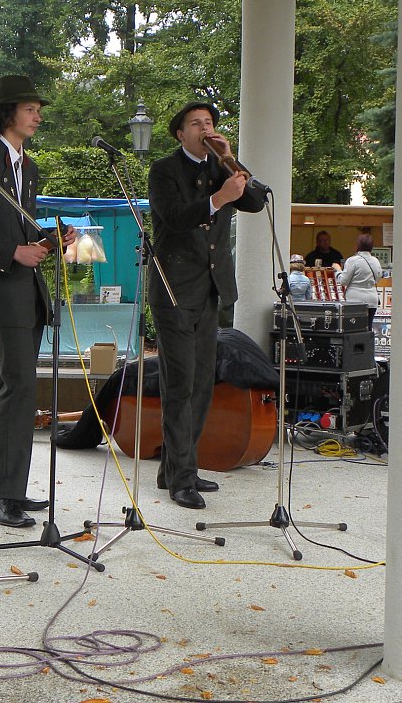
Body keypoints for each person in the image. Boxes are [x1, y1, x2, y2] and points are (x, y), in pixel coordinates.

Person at [0, 74, 74, 528]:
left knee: (7, 385)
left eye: (38, 110)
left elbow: (19, 229)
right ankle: (5, 494)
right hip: (0, 290)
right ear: (8, 113)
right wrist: (13, 253)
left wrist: (49, 239)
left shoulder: (29, 167)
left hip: (26, 291)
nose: (37, 116)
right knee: (20, 387)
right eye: (30, 109)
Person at [148, 101, 267, 509]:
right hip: (175, 291)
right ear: (180, 133)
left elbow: (255, 201)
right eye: (196, 123)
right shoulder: (164, 170)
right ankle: (181, 478)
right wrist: (217, 199)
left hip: (210, 290)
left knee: (201, 382)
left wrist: (230, 159)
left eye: (210, 122)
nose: (205, 128)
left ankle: (177, 467)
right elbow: (175, 217)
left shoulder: (221, 168)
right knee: (180, 383)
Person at [336, 233, 383, 310]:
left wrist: (338, 270)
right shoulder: (376, 261)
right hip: (372, 300)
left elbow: (343, 281)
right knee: (370, 318)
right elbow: (378, 278)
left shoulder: (352, 260)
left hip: (354, 299)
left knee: (355, 318)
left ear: (358, 245)